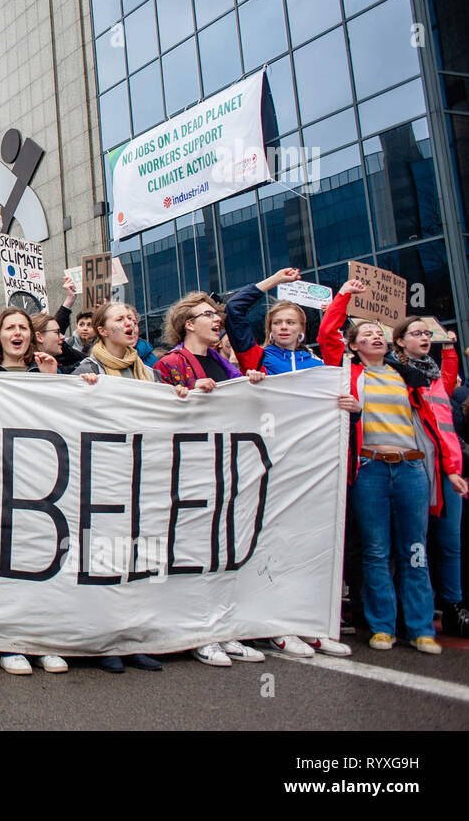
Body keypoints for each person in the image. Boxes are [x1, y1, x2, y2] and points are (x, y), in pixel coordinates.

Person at [320, 280, 467, 655]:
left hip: (412, 471)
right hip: (369, 469)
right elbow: (327, 333)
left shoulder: (408, 378)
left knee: (415, 549)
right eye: (366, 333)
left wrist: (451, 468)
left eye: (379, 333)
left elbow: (437, 425)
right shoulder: (349, 373)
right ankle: (382, 627)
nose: (375, 336)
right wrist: (345, 295)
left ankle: (420, 629)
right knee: (375, 550)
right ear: (353, 346)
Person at [224, 268, 351, 657]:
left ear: (301, 328)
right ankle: (278, 624)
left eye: (290, 322)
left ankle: (314, 624)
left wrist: (353, 409)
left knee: (314, 542)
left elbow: (334, 349)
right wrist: (268, 282)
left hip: (314, 465)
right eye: (277, 321)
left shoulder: (319, 366)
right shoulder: (257, 356)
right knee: (274, 542)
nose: (283, 327)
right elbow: (233, 311)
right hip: (271, 463)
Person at [154, 292, 269, 666]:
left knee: (224, 549)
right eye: (207, 315)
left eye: (216, 314)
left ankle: (224, 628)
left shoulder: (224, 363)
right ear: (189, 324)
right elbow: (156, 410)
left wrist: (249, 385)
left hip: (228, 468)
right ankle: (197, 631)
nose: (217, 319)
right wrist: (184, 396)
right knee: (192, 551)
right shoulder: (171, 363)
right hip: (190, 469)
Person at [70, 301, 182, 673]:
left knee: (137, 557)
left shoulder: (147, 372)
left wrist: (182, 397)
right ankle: (103, 640)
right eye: (120, 319)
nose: (130, 324)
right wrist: (79, 390)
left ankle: (133, 637)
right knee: (103, 557)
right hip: (103, 475)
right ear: (102, 330)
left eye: (132, 319)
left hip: (142, 474)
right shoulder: (88, 368)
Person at [0, 307, 66, 675]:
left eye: (24, 328)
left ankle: (40, 638)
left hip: (37, 477)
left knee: (37, 553)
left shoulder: (43, 371)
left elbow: (62, 420)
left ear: (33, 336)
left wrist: (53, 381)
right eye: (10, 327)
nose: (18, 333)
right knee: (2, 555)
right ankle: (8, 641)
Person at [390, 314, 467, 638]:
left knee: (450, 542)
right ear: (400, 342)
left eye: (426, 333)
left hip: (449, 470)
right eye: (416, 333)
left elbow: (449, 376)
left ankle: (452, 607)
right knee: (412, 542)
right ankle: (408, 609)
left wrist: (449, 347)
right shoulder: (395, 377)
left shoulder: (438, 381)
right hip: (416, 467)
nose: (423, 338)